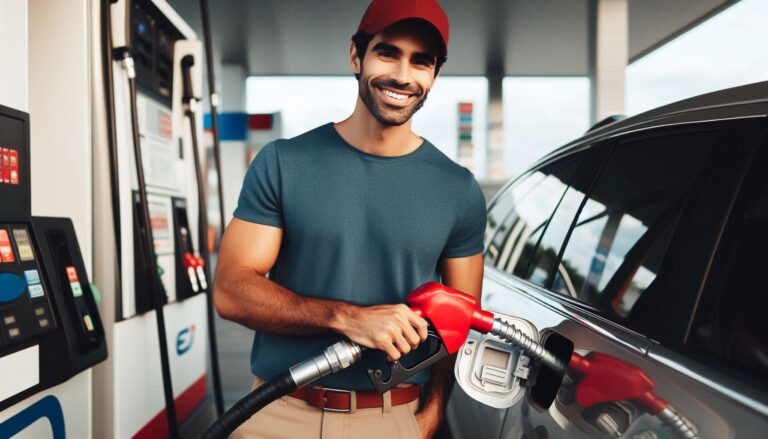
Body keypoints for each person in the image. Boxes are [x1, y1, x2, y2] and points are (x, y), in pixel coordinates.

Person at [214, 0, 486, 437]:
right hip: (278, 411)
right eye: (387, 53)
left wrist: (435, 408)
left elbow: (461, 321)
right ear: (356, 56)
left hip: (390, 419)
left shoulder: (459, 190)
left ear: (434, 75)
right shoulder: (284, 163)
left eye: (421, 61)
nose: (402, 75)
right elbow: (231, 290)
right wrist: (346, 317)